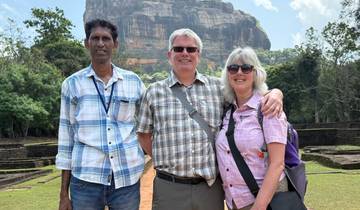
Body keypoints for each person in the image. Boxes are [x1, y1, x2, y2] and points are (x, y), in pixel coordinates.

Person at [137, 28, 284, 210]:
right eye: (179, 49)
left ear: (198, 54)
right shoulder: (153, 92)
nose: (185, 53)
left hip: (209, 188)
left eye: (191, 49)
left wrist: (276, 93)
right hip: (170, 187)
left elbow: (247, 93)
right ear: (169, 54)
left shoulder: (218, 89)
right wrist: (168, 160)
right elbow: (143, 135)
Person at [56, 19, 145, 210]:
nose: (100, 43)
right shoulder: (72, 84)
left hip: (126, 178)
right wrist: (64, 194)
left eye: (106, 38)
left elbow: (148, 121)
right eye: (95, 38)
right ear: (86, 43)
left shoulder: (134, 82)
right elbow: (66, 139)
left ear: (115, 44)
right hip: (86, 180)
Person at [216, 47, 288, 210]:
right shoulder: (227, 112)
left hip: (267, 201)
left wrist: (259, 207)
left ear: (255, 73)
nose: (239, 72)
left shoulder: (268, 108)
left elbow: (277, 163)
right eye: (233, 68)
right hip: (235, 202)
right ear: (228, 74)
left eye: (246, 68)